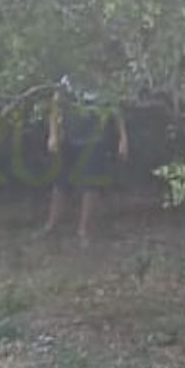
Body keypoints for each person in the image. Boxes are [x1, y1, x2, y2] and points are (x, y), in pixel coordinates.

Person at [40, 74, 129, 247]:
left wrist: (123, 138)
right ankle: (51, 225)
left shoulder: (104, 82)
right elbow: (56, 107)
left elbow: (116, 110)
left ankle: (84, 230)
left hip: (95, 140)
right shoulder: (67, 81)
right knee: (60, 183)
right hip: (69, 138)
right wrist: (53, 134)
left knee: (91, 186)